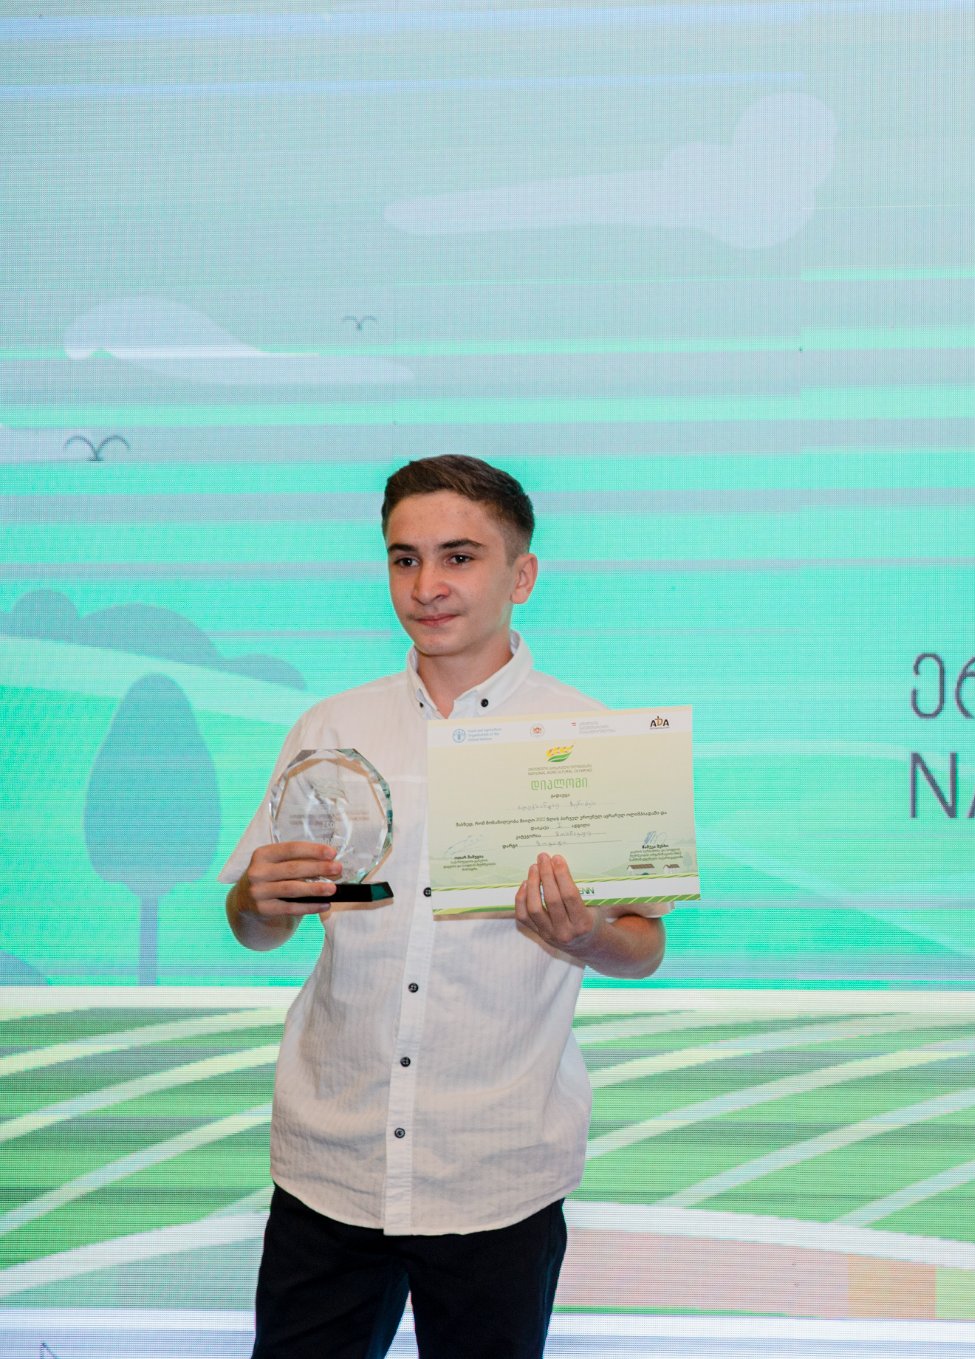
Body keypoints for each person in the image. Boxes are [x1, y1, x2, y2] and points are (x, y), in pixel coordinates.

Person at [220, 454, 664, 1359]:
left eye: (459, 556)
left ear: (522, 575)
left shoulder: (591, 738)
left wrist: (585, 934)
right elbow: (255, 925)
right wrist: (256, 901)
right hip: (329, 1165)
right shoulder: (331, 728)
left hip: (496, 1172)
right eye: (404, 558)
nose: (427, 585)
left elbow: (644, 943)